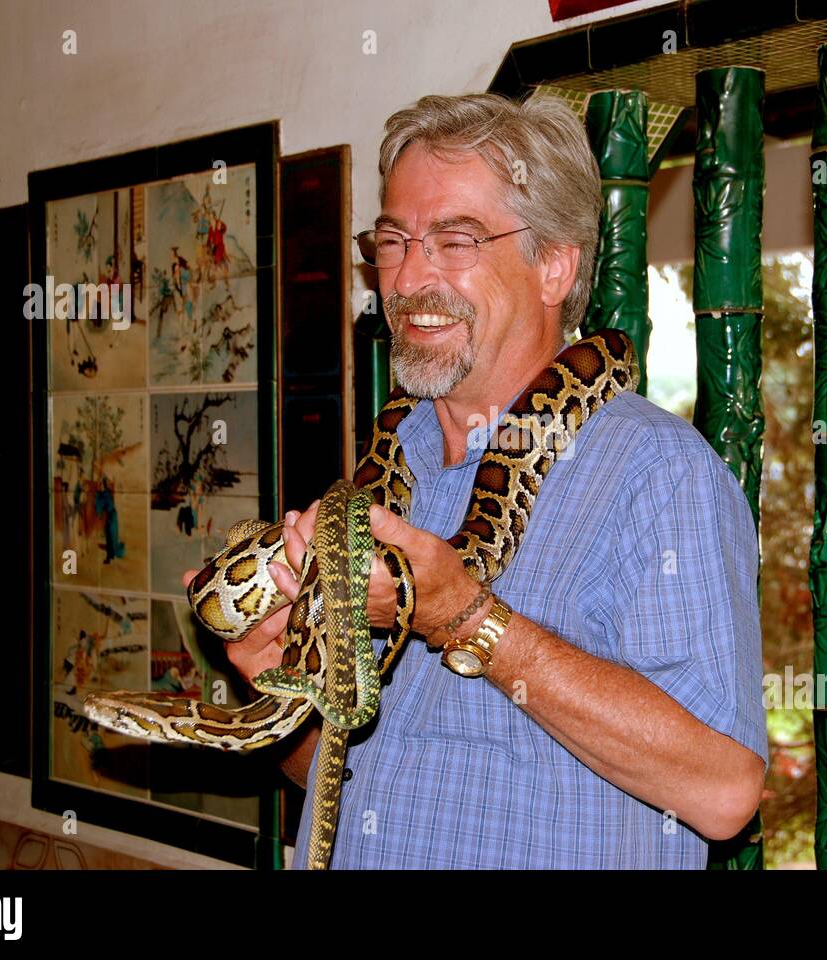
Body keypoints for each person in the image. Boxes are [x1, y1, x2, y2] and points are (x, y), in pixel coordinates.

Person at [185, 93, 766, 868]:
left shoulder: (657, 476)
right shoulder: (379, 481)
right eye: (393, 240)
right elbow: (344, 776)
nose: (409, 274)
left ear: (554, 264)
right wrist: (278, 681)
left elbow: (725, 793)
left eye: (456, 240)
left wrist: (463, 617)